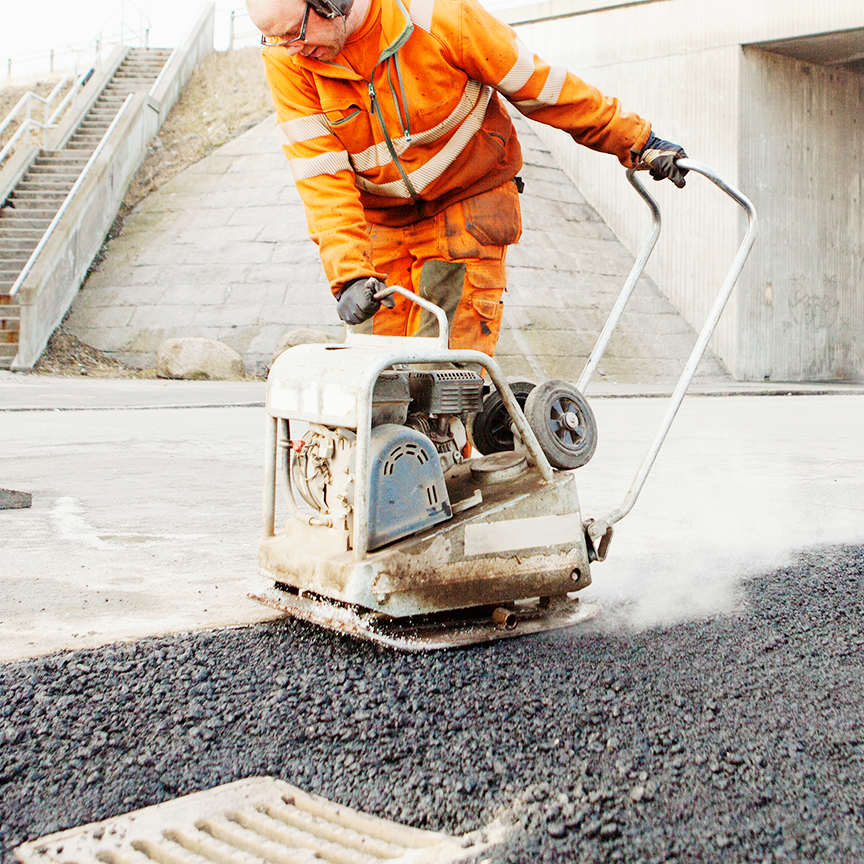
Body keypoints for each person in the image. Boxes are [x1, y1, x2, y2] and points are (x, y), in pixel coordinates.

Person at [248, 0, 687, 355]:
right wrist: (348, 274)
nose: (288, 48)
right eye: (273, 37)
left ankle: (446, 453)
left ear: (331, 3)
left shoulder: (439, 16)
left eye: (294, 33)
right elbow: (319, 173)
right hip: (382, 222)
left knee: (439, 368)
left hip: (467, 204)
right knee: (373, 375)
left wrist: (638, 141)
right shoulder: (290, 60)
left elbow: (544, 90)